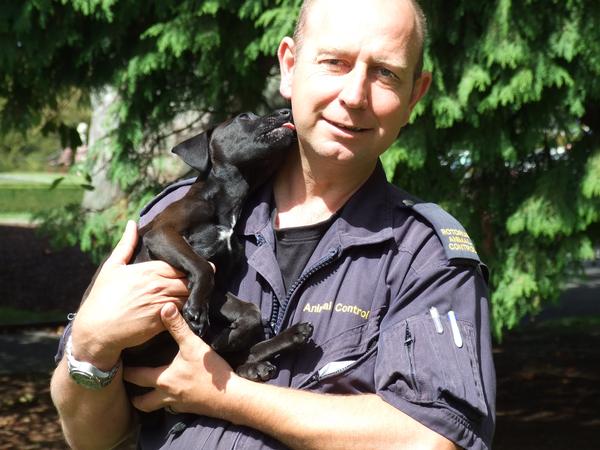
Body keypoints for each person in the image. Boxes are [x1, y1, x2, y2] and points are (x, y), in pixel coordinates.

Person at [51, 0, 496, 449]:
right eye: (334, 63)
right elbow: (92, 439)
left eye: (384, 73)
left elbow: (432, 440)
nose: (355, 96)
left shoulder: (424, 256)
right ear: (289, 66)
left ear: (414, 95)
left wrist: (226, 395)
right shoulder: (177, 216)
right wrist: (90, 346)